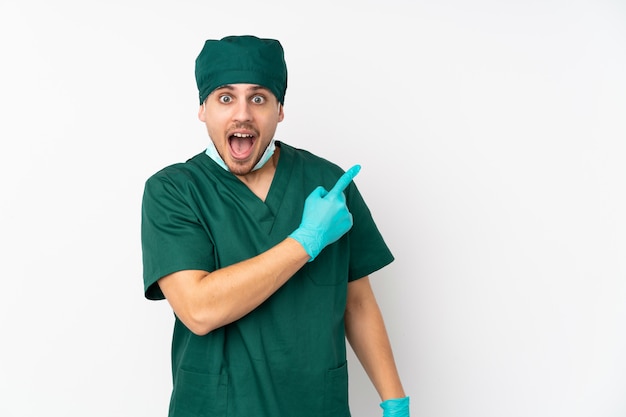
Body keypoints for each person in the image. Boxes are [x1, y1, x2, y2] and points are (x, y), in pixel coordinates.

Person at [141, 35, 409, 417]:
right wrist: (306, 240)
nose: (242, 114)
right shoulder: (173, 191)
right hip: (218, 407)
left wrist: (395, 401)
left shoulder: (328, 185)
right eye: (225, 97)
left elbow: (358, 303)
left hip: (315, 405)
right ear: (203, 109)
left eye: (259, 98)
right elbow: (199, 309)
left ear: (279, 109)